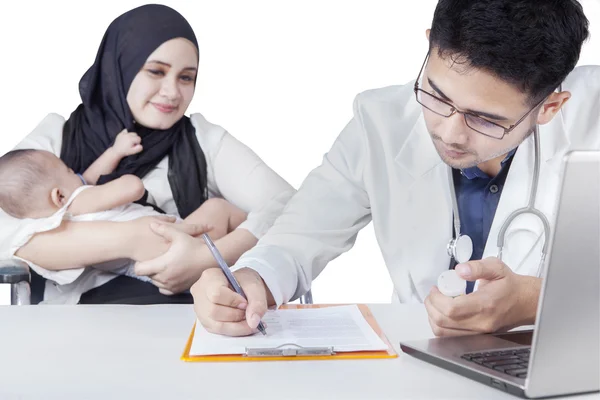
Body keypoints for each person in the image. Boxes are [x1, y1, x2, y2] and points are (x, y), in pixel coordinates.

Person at [179, 0, 599, 336]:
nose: (450, 132)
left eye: (485, 119)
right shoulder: (378, 121)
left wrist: (540, 300)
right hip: (422, 370)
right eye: (436, 94)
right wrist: (253, 280)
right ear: (430, 44)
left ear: (549, 107)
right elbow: (299, 235)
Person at [0, 4, 295, 304]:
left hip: (188, 310)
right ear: (120, 67)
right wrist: (132, 238)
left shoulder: (203, 140)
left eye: (186, 77)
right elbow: (6, 223)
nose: (172, 92)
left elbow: (291, 209)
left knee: (221, 212)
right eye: (156, 71)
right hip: (79, 318)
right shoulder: (54, 140)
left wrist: (205, 259)